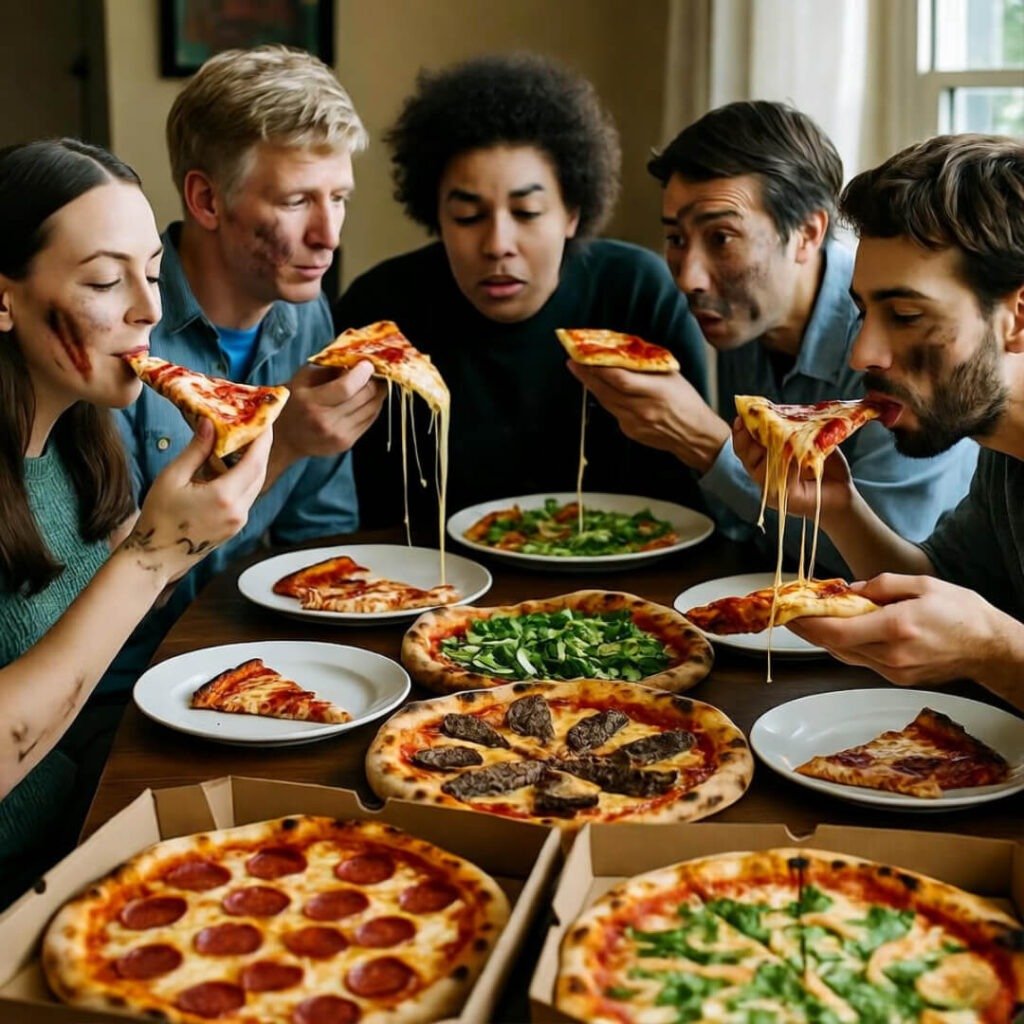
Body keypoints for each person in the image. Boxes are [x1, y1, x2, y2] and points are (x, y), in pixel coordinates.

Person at [0, 138, 270, 906]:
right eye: (103, 280)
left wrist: (189, 523)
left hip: (83, 817)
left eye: (151, 272)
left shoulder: (81, 436)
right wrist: (153, 554)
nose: (151, 308)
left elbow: (107, 616)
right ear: (5, 299)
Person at [572, 101, 978, 576]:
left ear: (807, 233)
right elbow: (744, 529)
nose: (688, 278)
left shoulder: (895, 342)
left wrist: (708, 445)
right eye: (676, 240)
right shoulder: (746, 319)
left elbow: (885, 567)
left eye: (721, 238)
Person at [332, 53, 709, 533]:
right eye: (468, 217)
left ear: (572, 213)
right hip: (428, 573)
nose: (497, 245)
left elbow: (695, 496)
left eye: (527, 212)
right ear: (436, 216)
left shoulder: (638, 294)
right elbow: (353, 509)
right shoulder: (380, 311)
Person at [114, 45, 384, 686]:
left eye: (339, 197)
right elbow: (128, 598)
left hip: (267, 659)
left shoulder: (307, 314)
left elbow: (320, 543)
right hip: (129, 685)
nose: (329, 235)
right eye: (296, 201)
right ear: (207, 200)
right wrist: (280, 445)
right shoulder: (123, 336)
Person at [733, 134, 1024, 712]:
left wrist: (997, 653)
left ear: (1016, 319)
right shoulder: (1001, 452)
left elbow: (983, 640)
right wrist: (839, 507)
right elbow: (938, 587)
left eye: (907, 315)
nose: (862, 353)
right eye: (864, 312)